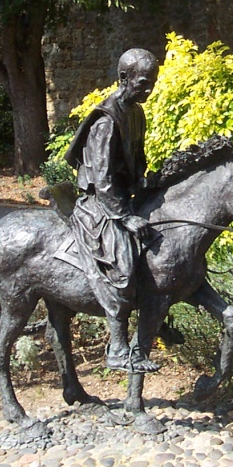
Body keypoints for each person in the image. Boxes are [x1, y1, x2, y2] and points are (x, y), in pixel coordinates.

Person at [64, 48, 161, 373]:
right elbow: (103, 180)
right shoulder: (106, 120)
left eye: (152, 84)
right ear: (124, 78)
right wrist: (125, 216)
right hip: (101, 204)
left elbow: (138, 157)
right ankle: (118, 348)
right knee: (121, 258)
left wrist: (147, 181)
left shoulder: (136, 113)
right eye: (144, 83)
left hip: (125, 195)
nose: (148, 90)